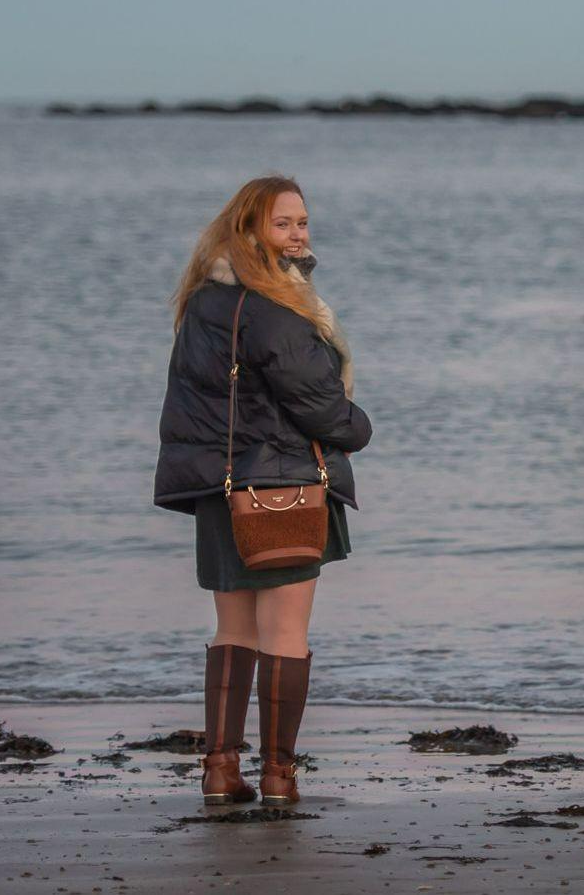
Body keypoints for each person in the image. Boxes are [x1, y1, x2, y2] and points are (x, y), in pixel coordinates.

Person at [155, 175, 370, 806]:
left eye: (302, 222)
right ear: (248, 231)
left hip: (222, 488)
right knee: (286, 632)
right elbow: (320, 406)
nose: (298, 233)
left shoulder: (202, 301)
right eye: (283, 224)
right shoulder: (275, 306)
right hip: (286, 488)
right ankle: (279, 774)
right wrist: (360, 428)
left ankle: (220, 768)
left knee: (233, 629)